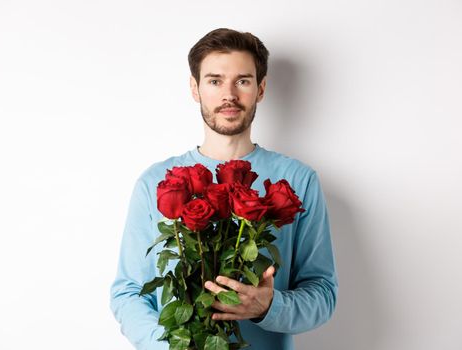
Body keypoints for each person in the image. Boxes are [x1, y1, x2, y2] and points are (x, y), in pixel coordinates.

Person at [110, 28, 338, 350]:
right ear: (195, 88)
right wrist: (170, 346)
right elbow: (128, 292)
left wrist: (268, 307)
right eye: (215, 81)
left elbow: (323, 293)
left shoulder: (298, 181)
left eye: (242, 81)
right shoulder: (156, 182)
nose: (228, 95)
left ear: (260, 89)